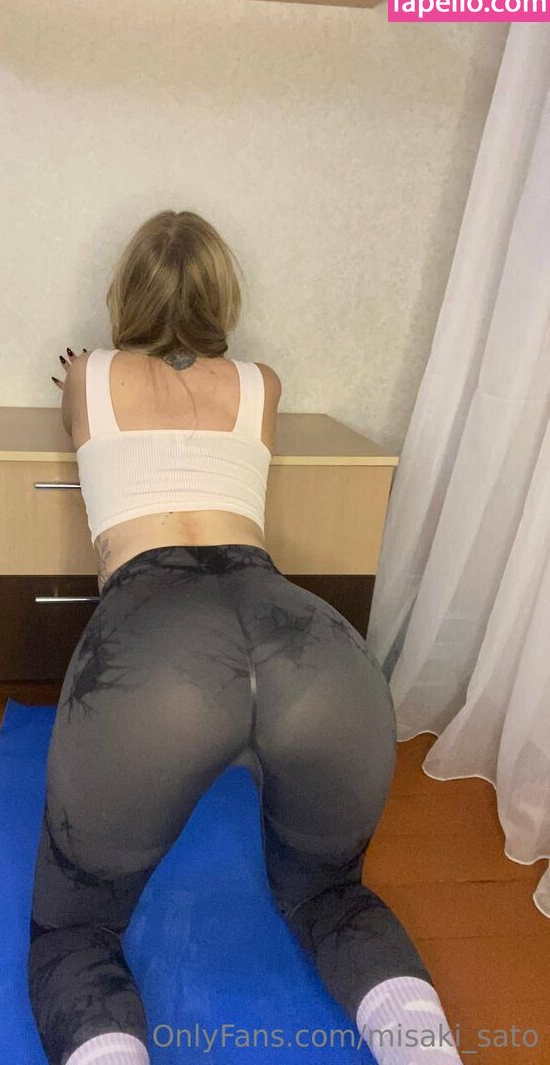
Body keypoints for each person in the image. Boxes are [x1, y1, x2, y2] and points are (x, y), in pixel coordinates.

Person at [29, 210, 461, 1065]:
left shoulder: (88, 375)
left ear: (122, 293)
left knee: (74, 934)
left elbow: (93, 416)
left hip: (156, 650)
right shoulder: (264, 384)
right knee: (332, 896)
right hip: (308, 643)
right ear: (226, 295)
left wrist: (82, 373)